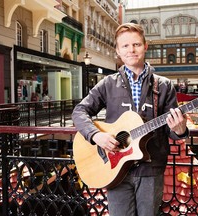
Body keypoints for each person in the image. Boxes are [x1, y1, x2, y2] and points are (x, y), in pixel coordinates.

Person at [72, 22, 188, 216]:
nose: (131, 50)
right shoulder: (107, 84)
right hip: (115, 168)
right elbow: (79, 111)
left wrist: (180, 129)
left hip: (150, 169)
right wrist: (95, 136)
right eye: (125, 46)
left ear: (145, 46)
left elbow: (173, 132)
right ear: (118, 51)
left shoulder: (164, 86)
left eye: (136, 44)